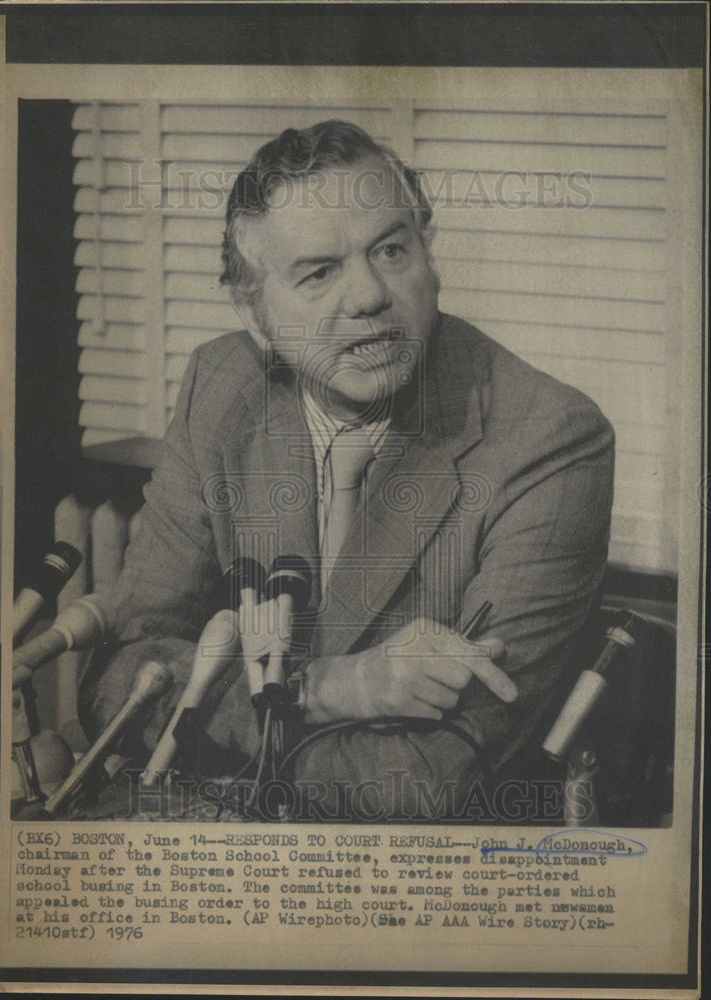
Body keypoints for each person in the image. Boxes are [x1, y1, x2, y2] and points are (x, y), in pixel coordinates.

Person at [80, 120, 614, 821]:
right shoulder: (222, 385)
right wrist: (327, 689)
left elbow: (425, 780)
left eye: (391, 249)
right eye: (320, 271)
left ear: (429, 254)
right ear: (256, 314)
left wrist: (222, 711)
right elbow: (118, 680)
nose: (368, 295)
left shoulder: (548, 440)